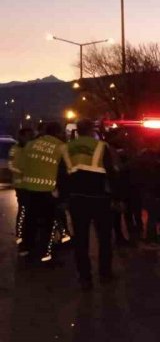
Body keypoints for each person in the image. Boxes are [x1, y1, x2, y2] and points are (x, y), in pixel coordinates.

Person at [61, 118, 116, 289]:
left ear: (77, 129)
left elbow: (62, 176)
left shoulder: (66, 148)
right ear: (92, 129)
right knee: (104, 238)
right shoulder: (101, 147)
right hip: (99, 198)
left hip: (77, 199)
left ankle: (85, 277)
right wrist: (117, 197)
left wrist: (63, 199)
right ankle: (105, 273)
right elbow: (111, 173)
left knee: (81, 240)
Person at [18, 122, 66, 264]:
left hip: (28, 189)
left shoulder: (30, 144)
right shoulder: (61, 146)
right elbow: (63, 171)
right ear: (57, 132)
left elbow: (22, 165)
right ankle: (46, 254)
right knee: (48, 223)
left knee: (30, 221)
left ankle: (26, 249)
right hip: (48, 191)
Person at [9, 126, 36, 249]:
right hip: (21, 186)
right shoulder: (14, 149)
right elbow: (11, 165)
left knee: (30, 212)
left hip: (32, 185)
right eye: (28, 136)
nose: (30, 138)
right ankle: (20, 236)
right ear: (21, 136)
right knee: (23, 211)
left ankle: (29, 236)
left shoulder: (32, 148)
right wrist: (24, 172)